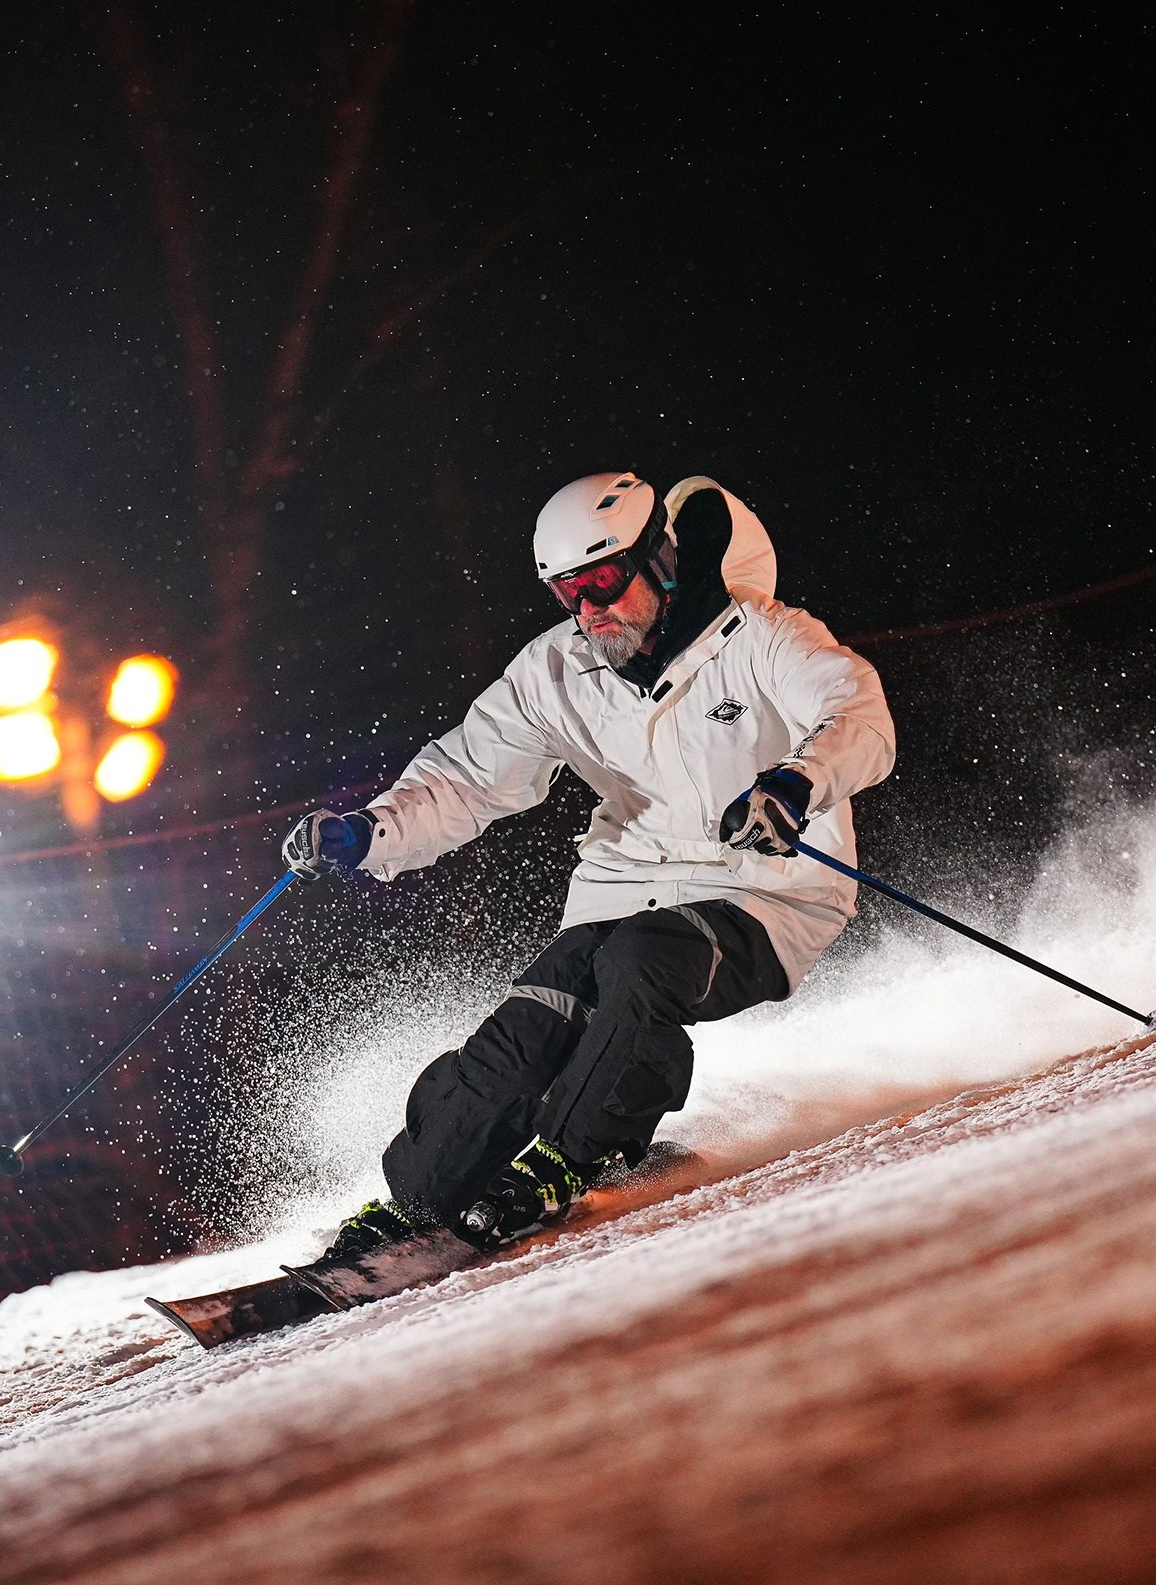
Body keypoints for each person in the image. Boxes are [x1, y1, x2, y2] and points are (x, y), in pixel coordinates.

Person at [280, 472, 895, 1261]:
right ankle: (424, 1196)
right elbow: (467, 776)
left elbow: (858, 712)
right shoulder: (557, 670)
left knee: (644, 963)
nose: (589, 607)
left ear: (659, 557)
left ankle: (572, 1154)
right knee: (547, 1002)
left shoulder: (764, 636)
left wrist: (795, 781)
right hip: (625, 886)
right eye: (569, 590)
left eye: (603, 579)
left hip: (763, 889)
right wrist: (369, 832)